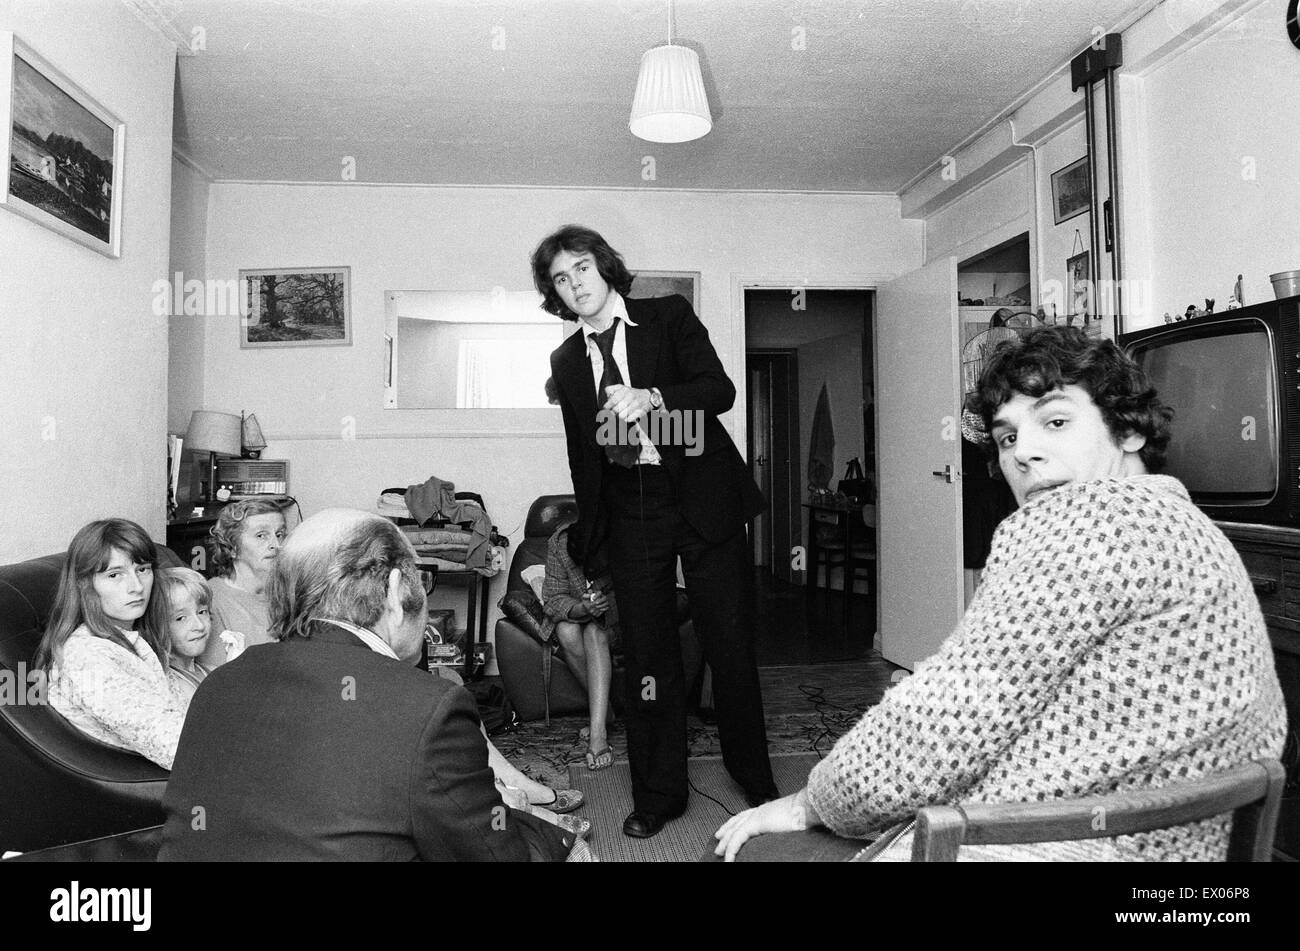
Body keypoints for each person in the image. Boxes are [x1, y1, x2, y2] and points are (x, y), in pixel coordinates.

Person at [714, 326, 1287, 862]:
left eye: (1055, 422)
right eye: (1008, 435)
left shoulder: (1084, 522)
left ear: (1129, 428)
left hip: (1060, 845)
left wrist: (807, 802)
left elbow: (933, 737)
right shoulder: (1186, 521)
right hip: (1184, 852)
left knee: (751, 847)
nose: (1023, 453)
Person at [159, 509, 585, 861]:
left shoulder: (217, 686)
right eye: (420, 578)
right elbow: (497, 857)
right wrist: (552, 836)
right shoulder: (428, 706)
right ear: (398, 593)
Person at [533, 224, 776, 838]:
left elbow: (718, 391)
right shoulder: (565, 362)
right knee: (647, 655)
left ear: (605, 268)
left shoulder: (667, 316)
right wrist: (589, 534)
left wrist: (654, 397)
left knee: (730, 644)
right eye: (561, 279)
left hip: (702, 497)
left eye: (581, 268)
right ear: (556, 295)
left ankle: (756, 780)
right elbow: (583, 455)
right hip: (631, 508)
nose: (574, 284)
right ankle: (659, 793)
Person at [35, 519, 189, 770]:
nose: (136, 587)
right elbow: (176, 747)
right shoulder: (87, 656)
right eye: (115, 575)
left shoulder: (126, 638)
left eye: (142, 569)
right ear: (85, 585)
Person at [542, 518, 620, 770]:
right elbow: (553, 599)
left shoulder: (621, 534)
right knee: (566, 631)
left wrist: (605, 606)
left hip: (623, 620)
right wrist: (580, 608)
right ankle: (605, 712)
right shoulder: (560, 542)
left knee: (594, 634)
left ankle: (598, 735)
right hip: (582, 618)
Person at [197, 498, 286, 668]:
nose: (276, 545)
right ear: (232, 548)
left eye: (280, 534)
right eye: (261, 536)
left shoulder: (288, 592)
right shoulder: (212, 599)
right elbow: (216, 678)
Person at [158, 567, 216, 705]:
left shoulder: (212, 671)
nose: (199, 626)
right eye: (181, 618)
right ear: (157, 624)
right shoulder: (169, 683)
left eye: (202, 612)